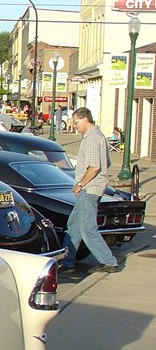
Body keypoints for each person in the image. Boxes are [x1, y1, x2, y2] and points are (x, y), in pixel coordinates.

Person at [58, 107, 121, 274]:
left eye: (76, 122)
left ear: (85, 120)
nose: (74, 125)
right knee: (74, 227)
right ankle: (67, 260)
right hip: (91, 188)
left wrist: (80, 183)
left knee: (87, 228)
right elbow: (106, 163)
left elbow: (94, 167)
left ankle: (108, 261)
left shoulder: (93, 138)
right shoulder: (96, 136)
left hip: (89, 189)